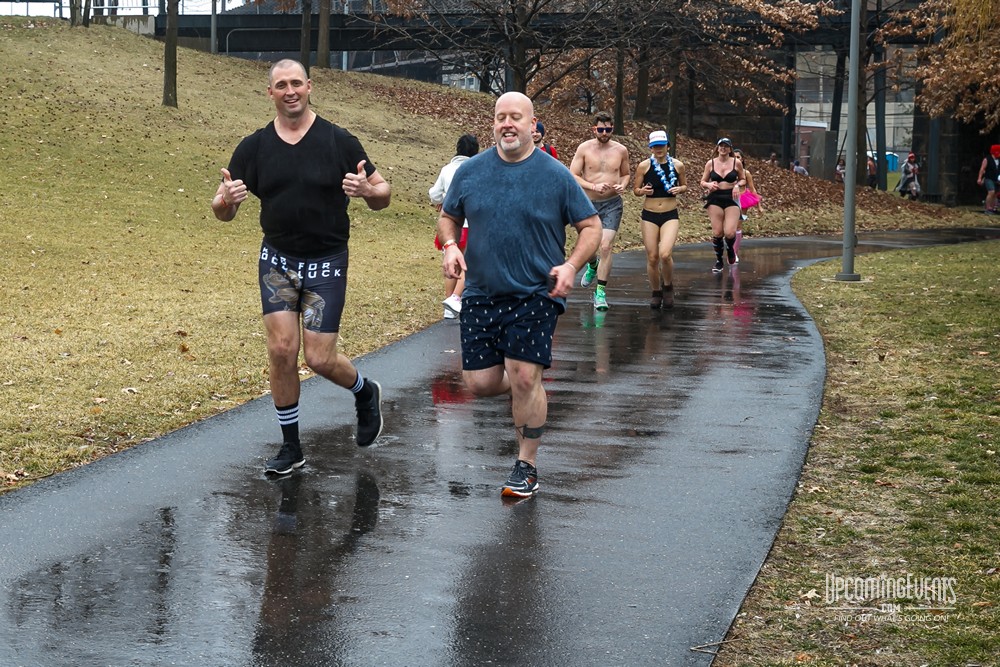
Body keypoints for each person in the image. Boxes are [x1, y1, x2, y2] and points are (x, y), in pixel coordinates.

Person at [211, 59, 391, 475]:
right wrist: (226, 201)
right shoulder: (254, 147)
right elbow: (222, 209)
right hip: (278, 263)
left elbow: (383, 192)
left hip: (326, 264)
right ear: (270, 93)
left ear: (309, 87)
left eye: (296, 83)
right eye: (281, 85)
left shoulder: (338, 140)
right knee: (280, 350)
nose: (289, 91)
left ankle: (365, 393)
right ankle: (291, 448)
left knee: (319, 358)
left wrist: (367, 191)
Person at [437, 91, 601, 499]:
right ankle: (529, 386)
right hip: (480, 293)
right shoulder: (471, 171)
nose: (507, 124)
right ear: (493, 124)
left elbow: (592, 227)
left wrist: (570, 266)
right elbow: (448, 216)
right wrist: (452, 246)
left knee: (524, 374)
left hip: (534, 293)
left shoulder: (555, 174)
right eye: (500, 117)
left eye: (515, 117)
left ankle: (526, 465)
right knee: (480, 383)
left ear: (532, 125)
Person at [569, 111, 632, 310]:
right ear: (594, 129)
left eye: (608, 129)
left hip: (612, 204)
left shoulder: (621, 150)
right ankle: (593, 265)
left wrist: (623, 185)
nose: (605, 133)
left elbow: (626, 174)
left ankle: (600, 293)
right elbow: (573, 175)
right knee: (588, 247)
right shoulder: (584, 148)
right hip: (588, 204)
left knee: (605, 246)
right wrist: (592, 186)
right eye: (601, 129)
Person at [632, 130, 687, 309]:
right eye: (655, 146)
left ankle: (668, 286)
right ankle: (656, 291)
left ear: (668, 146)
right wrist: (643, 191)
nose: (659, 149)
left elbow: (684, 185)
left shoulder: (678, 165)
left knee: (665, 253)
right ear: (651, 148)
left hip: (670, 213)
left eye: (661, 145)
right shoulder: (644, 166)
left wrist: (680, 189)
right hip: (650, 214)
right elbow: (636, 189)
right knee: (653, 257)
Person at [429, 134, 480, 319]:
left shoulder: (447, 169)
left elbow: (434, 193)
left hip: (449, 225)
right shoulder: (477, 169)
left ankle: (449, 304)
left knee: (451, 264)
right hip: (470, 224)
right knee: (468, 265)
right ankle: (456, 300)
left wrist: (442, 201)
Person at [700, 137, 746, 272]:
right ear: (717, 147)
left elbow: (743, 179)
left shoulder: (736, 162)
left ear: (730, 148)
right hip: (715, 198)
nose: (723, 148)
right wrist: (708, 184)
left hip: (731, 197)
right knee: (718, 232)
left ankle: (731, 250)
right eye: (721, 145)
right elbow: (702, 181)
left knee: (730, 232)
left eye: (726, 146)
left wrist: (737, 185)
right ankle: (719, 260)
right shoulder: (710, 163)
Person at [732, 148, 760, 257]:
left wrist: (759, 206)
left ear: (742, 159)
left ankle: (734, 253)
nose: (736, 159)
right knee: (729, 227)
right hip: (729, 199)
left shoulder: (746, 173)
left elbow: (753, 189)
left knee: (738, 226)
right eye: (733, 157)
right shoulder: (727, 170)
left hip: (743, 200)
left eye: (738, 157)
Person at [976, 145, 1000, 214]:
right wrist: (979, 178)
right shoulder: (987, 159)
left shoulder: (998, 160)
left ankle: (992, 208)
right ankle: (988, 208)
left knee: (995, 193)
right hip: (989, 178)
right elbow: (982, 169)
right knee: (991, 191)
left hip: (997, 179)